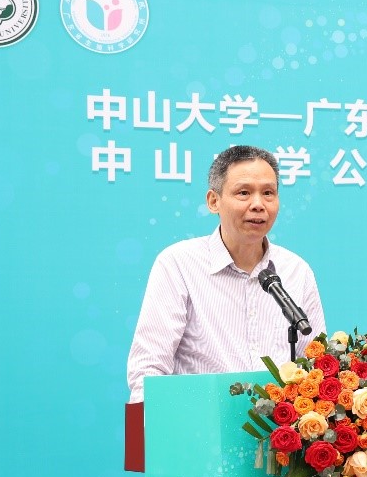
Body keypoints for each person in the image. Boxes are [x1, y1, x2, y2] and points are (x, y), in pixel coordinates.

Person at [126, 145, 325, 403]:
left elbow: (316, 366)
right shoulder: (178, 264)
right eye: (244, 193)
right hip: (200, 420)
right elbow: (148, 370)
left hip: (278, 426)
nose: (258, 205)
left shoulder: (296, 270)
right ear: (214, 201)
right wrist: (147, 423)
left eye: (268, 193)